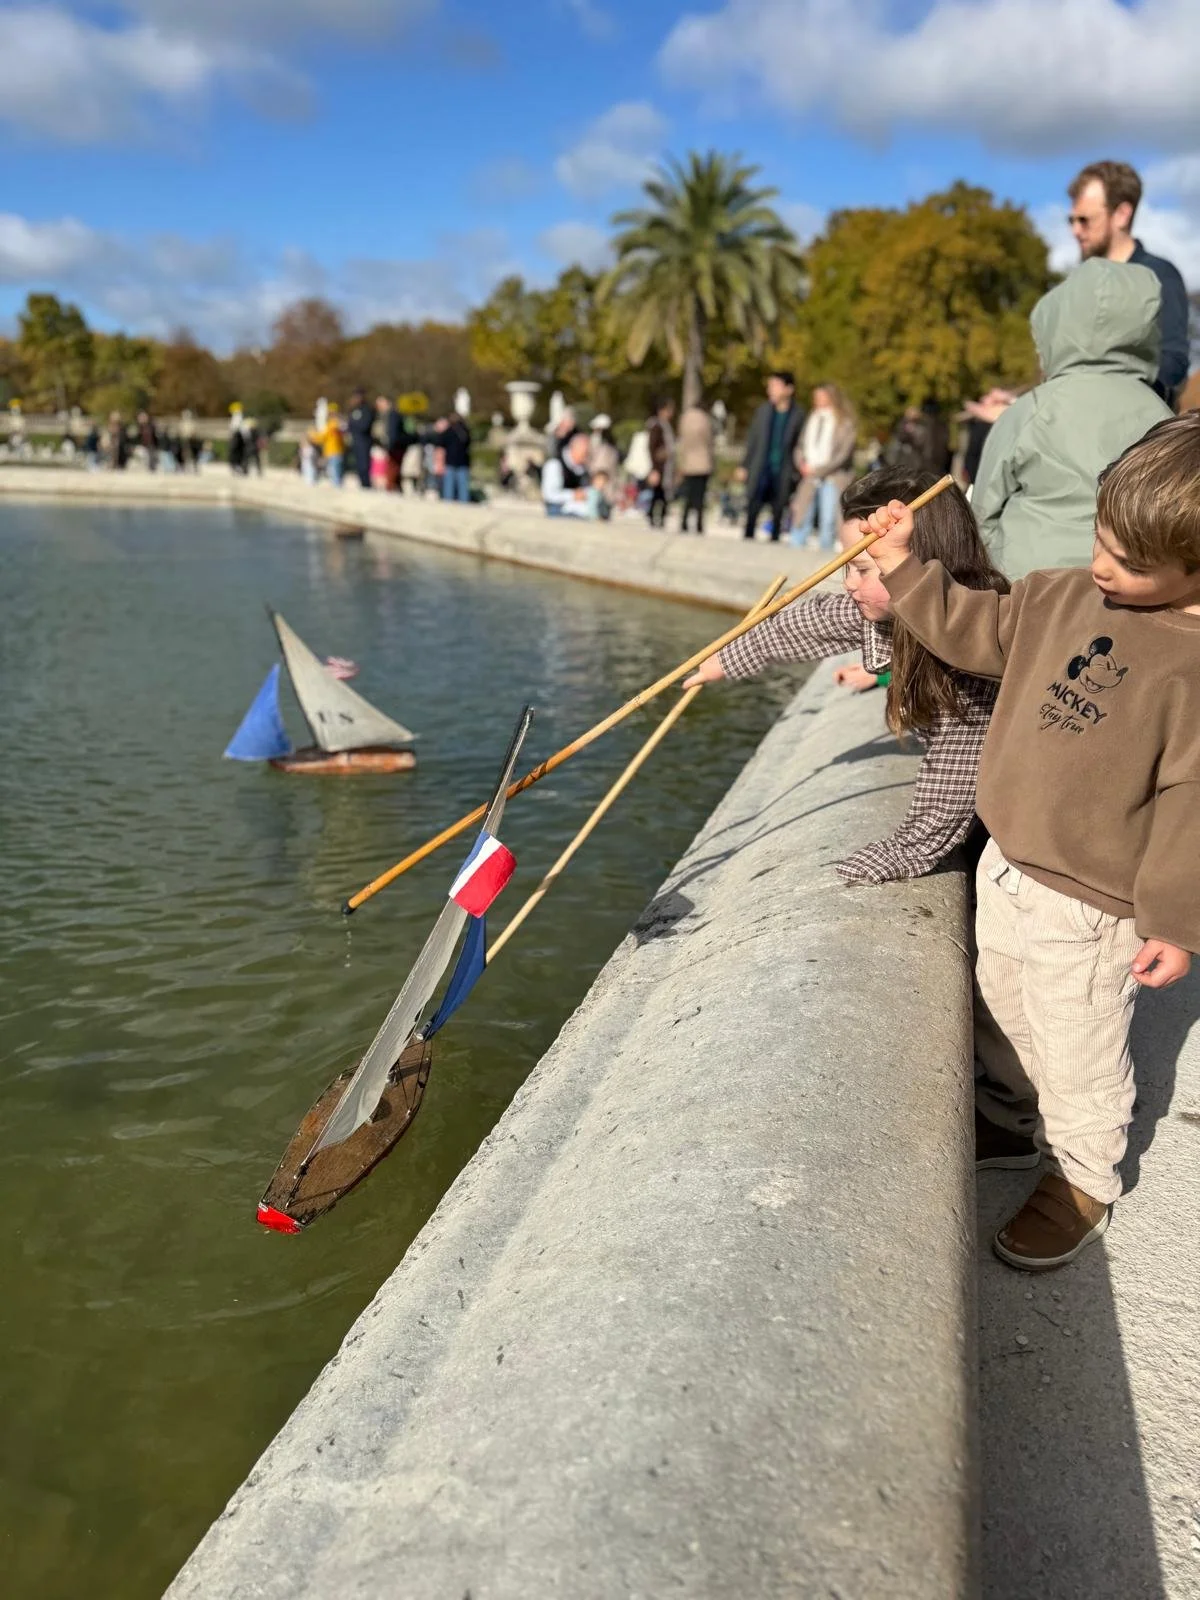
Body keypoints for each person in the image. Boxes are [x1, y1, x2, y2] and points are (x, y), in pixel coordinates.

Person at [865, 414, 1200, 1272]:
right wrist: (904, 563)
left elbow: (1189, 805)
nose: (1102, 566)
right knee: (998, 1005)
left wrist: (1173, 920)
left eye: (1129, 563)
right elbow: (973, 627)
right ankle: (1010, 1119)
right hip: (1006, 862)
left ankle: (1084, 1175)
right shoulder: (1059, 595)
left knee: (1078, 1039)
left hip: (1092, 905)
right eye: (1101, 538)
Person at [684, 466, 1003, 882]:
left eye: (865, 569)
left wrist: (904, 852)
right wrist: (723, 659)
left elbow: (957, 771)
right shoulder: (893, 610)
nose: (850, 584)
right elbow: (807, 622)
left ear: (926, 560)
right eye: (846, 566)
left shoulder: (969, 641)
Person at [972, 257, 1171, 576]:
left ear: (1057, 332)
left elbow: (983, 512)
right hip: (1128, 587)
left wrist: (998, 570)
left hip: (1032, 588)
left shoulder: (1033, 408)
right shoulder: (1162, 416)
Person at [1068, 159, 1190, 406]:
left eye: (1084, 220)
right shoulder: (1079, 286)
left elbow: (1173, 363)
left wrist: (1111, 395)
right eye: (1071, 221)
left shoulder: (1158, 276)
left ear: (1122, 214)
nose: (1075, 231)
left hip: (1133, 431)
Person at [739, 371, 804, 541]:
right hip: (761, 466)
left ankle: (774, 538)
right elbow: (752, 440)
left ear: (788, 389)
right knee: (753, 505)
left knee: (778, 507)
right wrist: (744, 465)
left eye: (774, 386)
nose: (770, 390)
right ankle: (748, 537)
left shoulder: (798, 415)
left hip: (784, 468)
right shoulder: (763, 411)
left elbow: (800, 444)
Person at [792, 383, 858, 549]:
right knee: (801, 516)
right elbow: (800, 445)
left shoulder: (845, 423)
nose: (817, 400)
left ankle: (825, 557)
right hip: (809, 476)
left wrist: (820, 470)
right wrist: (801, 463)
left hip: (833, 477)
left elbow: (843, 455)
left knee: (828, 520)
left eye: (821, 396)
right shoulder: (812, 418)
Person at [675, 399, 714, 534]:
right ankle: (698, 524)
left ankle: (684, 521)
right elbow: (709, 440)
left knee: (688, 494)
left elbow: (682, 441)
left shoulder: (685, 418)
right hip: (702, 461)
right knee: (700, 496)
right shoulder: (705, 419)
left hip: (688, 461)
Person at [542, 431, 592, 516]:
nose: (587, 456)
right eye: (585, 452)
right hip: (557, 509)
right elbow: (549, 495)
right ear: (575, 448)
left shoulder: (582, 469)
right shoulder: (555, 464)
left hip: (577, 507)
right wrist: (573, 495)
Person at [646, 397, 676, 528]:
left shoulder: (666, 426)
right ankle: (653, 515)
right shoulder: (657, 426)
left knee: (662, 493)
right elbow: (652, 448)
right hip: (659, 465)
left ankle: (660, 516)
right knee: (657, 492)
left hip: (666, 465)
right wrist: (655, 468)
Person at [441, 410, 472, 502]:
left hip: (451, 460)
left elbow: (441, 442)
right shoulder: (465, 430)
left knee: (449, 485)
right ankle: (463, 501)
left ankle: (449, 501)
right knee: (463, 486)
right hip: (463, 461)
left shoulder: (449, 431)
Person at [347, 388, 374, 487]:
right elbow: (350, 425)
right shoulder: (354, 409)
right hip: (356, 441)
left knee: (364, 465)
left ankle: (366, 484)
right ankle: (362, 483)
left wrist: (355, 425)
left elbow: (364, 425)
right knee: (358, 465)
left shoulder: (367, 409)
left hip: (364, 442)